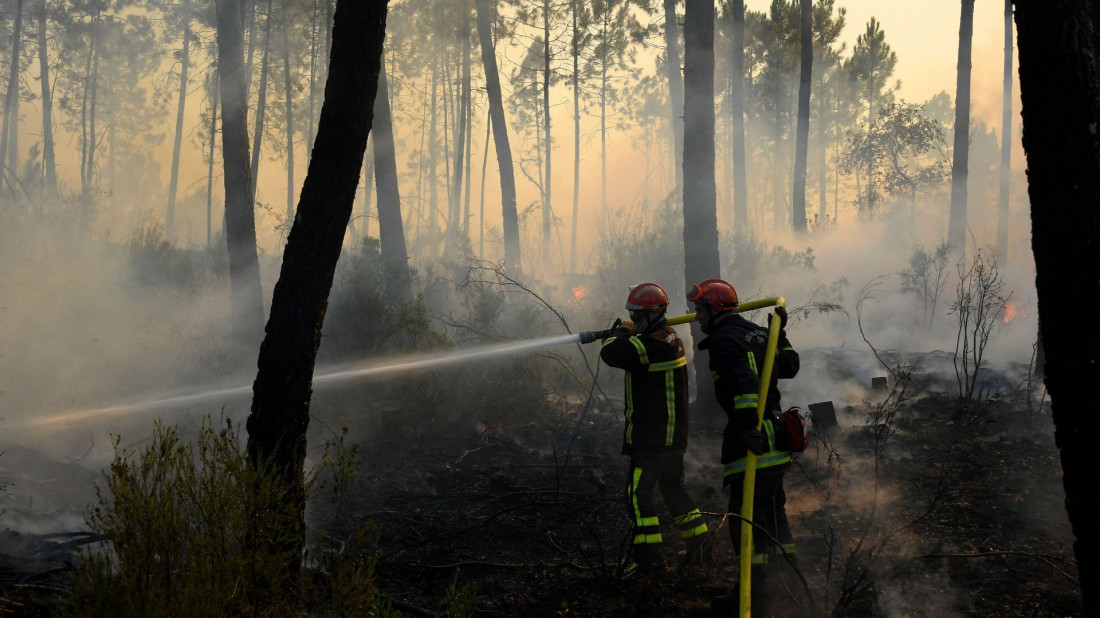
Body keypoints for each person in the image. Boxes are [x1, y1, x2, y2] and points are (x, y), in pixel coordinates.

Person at [685, 279, 800, 611]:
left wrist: (748, 426)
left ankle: (754, 596)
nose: (697, 317)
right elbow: (790, 366)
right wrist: (781, 334)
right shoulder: (760, 334)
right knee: (774, 516)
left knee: (747, 522)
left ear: (714, 309)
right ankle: (789, 585)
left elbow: (744, 383)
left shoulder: (724, 340)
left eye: (700, 310)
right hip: (775, 439)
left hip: (753, 442)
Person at [599, 282, 710, 577]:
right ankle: (701, 544)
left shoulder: (650, 346)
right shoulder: (670, 338)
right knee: (673, 488)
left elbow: (610, 353)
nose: (633, 320)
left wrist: (619, 333)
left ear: (652, 314)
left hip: (653, 439)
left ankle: (650, 562)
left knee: (637, 494)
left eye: (636, 316)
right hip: (672, 436)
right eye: (631, 316)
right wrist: (630, 333)